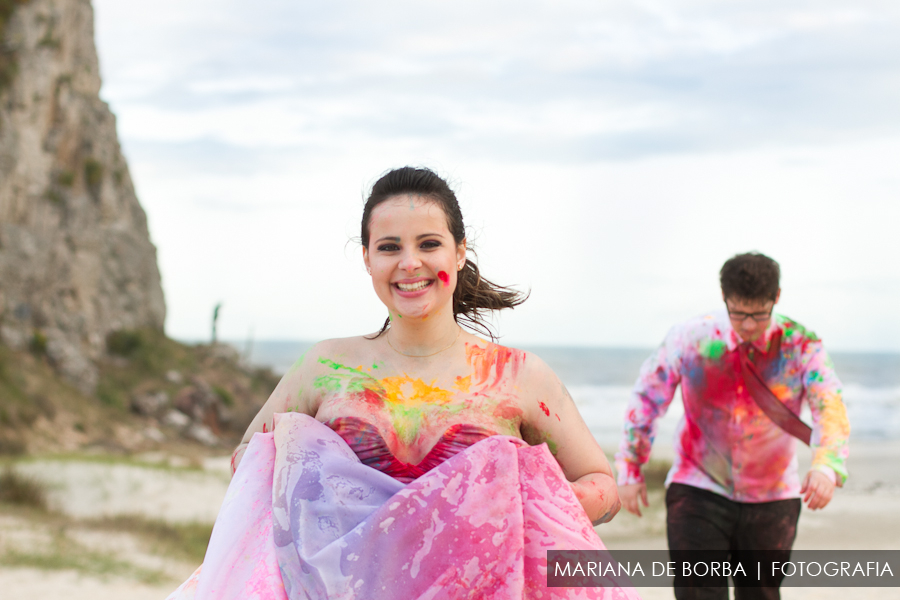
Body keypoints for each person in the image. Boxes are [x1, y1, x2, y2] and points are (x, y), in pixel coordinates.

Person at [167, 167, 639, 600]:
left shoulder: (519, 376)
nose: (409, 263)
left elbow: (603, 488)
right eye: (389, 247)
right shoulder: (326, 365)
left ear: (459, 252)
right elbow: (249, 463)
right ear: (368, 260)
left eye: (429, 244)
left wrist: (513, 500)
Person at [615, 252, 850, 599]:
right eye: (738, 313)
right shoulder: (690, 337)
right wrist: (631, 466)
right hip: (698, 486)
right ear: (724, 298)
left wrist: (828, 464)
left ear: (776, 298)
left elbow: (829, 405)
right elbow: (648, 398)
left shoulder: (802, 344)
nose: (749, 325)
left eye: (759, 314)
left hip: (773, 496)